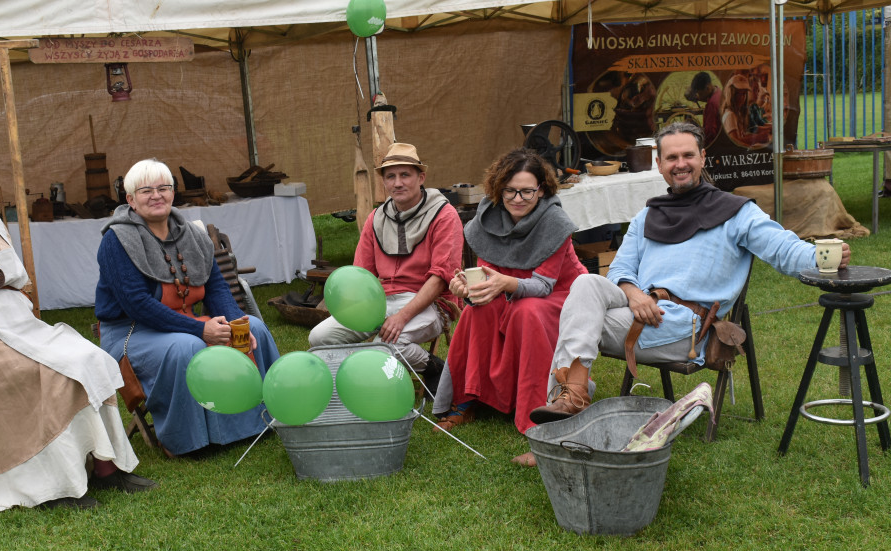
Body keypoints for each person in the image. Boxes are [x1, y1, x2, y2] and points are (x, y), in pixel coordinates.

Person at [530, 121, 852, 427]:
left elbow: (784, 250)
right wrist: (635, 293)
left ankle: (564, 414)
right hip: (640, 311)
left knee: (576, 324)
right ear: (659, 164)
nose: (680, 164)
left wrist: (823, 256)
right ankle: (572, 400)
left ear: (702, 158)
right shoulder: (647, 216)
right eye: (671, 157)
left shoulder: (736, 213)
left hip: (685, 329)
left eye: (688, 155)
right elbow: (621, 270)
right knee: (587, 282)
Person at [0, 134, 155, 514]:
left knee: (90, 358)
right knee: (55, 376)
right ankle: (55, 486)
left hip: (17, 331)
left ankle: (105, 466)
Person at [95, 159, 280, 456]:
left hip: (186, 323)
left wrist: (235, 321)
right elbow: (138, 305)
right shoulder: (116, 241)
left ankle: (259, 420)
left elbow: (216, 286)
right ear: (130, 199)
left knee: (252, 327)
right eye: (146, 190)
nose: (157, 195)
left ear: (172, 192)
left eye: (163, 188)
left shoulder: (191, 234)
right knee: (186, 347)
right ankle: (188, 441)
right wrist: (200, 329)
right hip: (131, 333)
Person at [431, 148, 587, 463]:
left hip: (559, 295)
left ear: (541, 190)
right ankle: (469, 399)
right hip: (511, 292)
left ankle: (537, 420)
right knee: (480, 309)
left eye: (527, 191)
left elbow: (543, 286)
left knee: (525, 311)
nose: (517, 198)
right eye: (510, 190)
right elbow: (487, 276)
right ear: (498, 189)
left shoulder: (555, 222)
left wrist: (505, 285)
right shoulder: (489, 217)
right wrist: (467, 287)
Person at [308, 142, 463, 393]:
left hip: (431, 303)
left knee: (383, 346)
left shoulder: (443, 214)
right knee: (320, 337)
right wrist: (351, 308)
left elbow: (441, 278)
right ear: (384, 181)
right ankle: (355, 382)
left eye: (405, 175)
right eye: (390, 176)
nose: (397, 183)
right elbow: (362, 275)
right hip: (379, 301)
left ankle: (431, 366)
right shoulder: (376, 217)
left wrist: (401, 317)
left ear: (421, 177)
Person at [685, 71, 722, 143]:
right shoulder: (718, 92)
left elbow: (710, 134)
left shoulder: (712, 104)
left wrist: (695, 128)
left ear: (707, 88)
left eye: (700, 93)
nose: (698, 96)